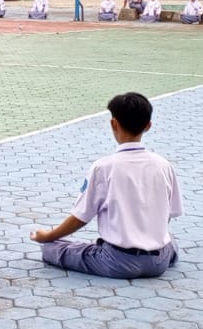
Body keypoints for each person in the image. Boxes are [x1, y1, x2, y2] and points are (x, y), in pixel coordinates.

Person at [31, 92, 182, 278]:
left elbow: (80, 217)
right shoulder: (163, 165)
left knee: (53, 249)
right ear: (148, 126)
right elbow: (168, 214)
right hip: (159, 261)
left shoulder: (103, 167)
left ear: (114, 123)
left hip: (117, 261)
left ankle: (59, 245)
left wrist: (48, 236)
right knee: (169, 241)